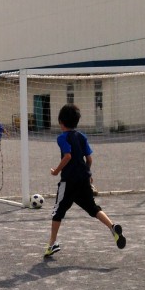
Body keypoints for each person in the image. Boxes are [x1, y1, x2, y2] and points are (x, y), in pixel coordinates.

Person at [44, 103, 126, 259]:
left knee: (57, 212)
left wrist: (56, 171)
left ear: (61, 122)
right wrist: (88, 173)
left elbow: (67, 156)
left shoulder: (62, 138)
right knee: (93, 208)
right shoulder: (82, 137)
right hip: (83, 180)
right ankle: (112, 227)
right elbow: (89, 159)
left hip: (68, 182)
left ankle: (52, 244)